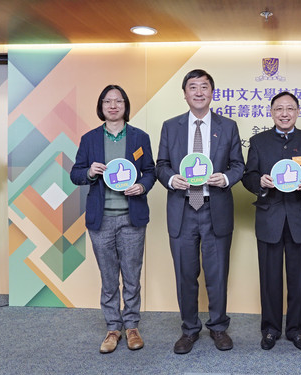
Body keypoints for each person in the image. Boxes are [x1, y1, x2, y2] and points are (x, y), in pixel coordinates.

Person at [155, 69, 244, 354]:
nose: (198, 92)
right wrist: (171, 178)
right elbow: (161, 164)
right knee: (185, 273)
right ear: (184, 94)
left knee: (217, 274)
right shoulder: (171, 126)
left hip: (214, 207)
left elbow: (238, 165)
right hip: (182, 208)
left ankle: (218, 327)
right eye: (192, 87)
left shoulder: (227, 126)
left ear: (211, 92)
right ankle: (189, 330)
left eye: (204, 87)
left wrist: (226, 178)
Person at [70, 85, 156, 354]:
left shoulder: (140, 137)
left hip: (132, 218)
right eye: (108, 101)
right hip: (101, 219)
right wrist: (90, 172)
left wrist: (142, 186)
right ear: (101, 106)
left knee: (131, 276)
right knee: (108, 278)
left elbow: (150, 171)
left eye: (118, 101)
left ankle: (131, 326)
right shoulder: (90, 139)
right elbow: (75, 174)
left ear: (125, 106)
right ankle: (112, 328)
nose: (113, 105)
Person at [242, 91, 301, 351]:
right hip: (270, 218)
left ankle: (296, 330)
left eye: (290, 108)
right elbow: (248, 176)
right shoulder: (258, 141)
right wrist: (261, 184)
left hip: (299, 218)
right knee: (269, 279)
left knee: (298, 279)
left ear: (298, 112)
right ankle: (270, 329)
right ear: (271, 112)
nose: (285, 113)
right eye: (279, 109)